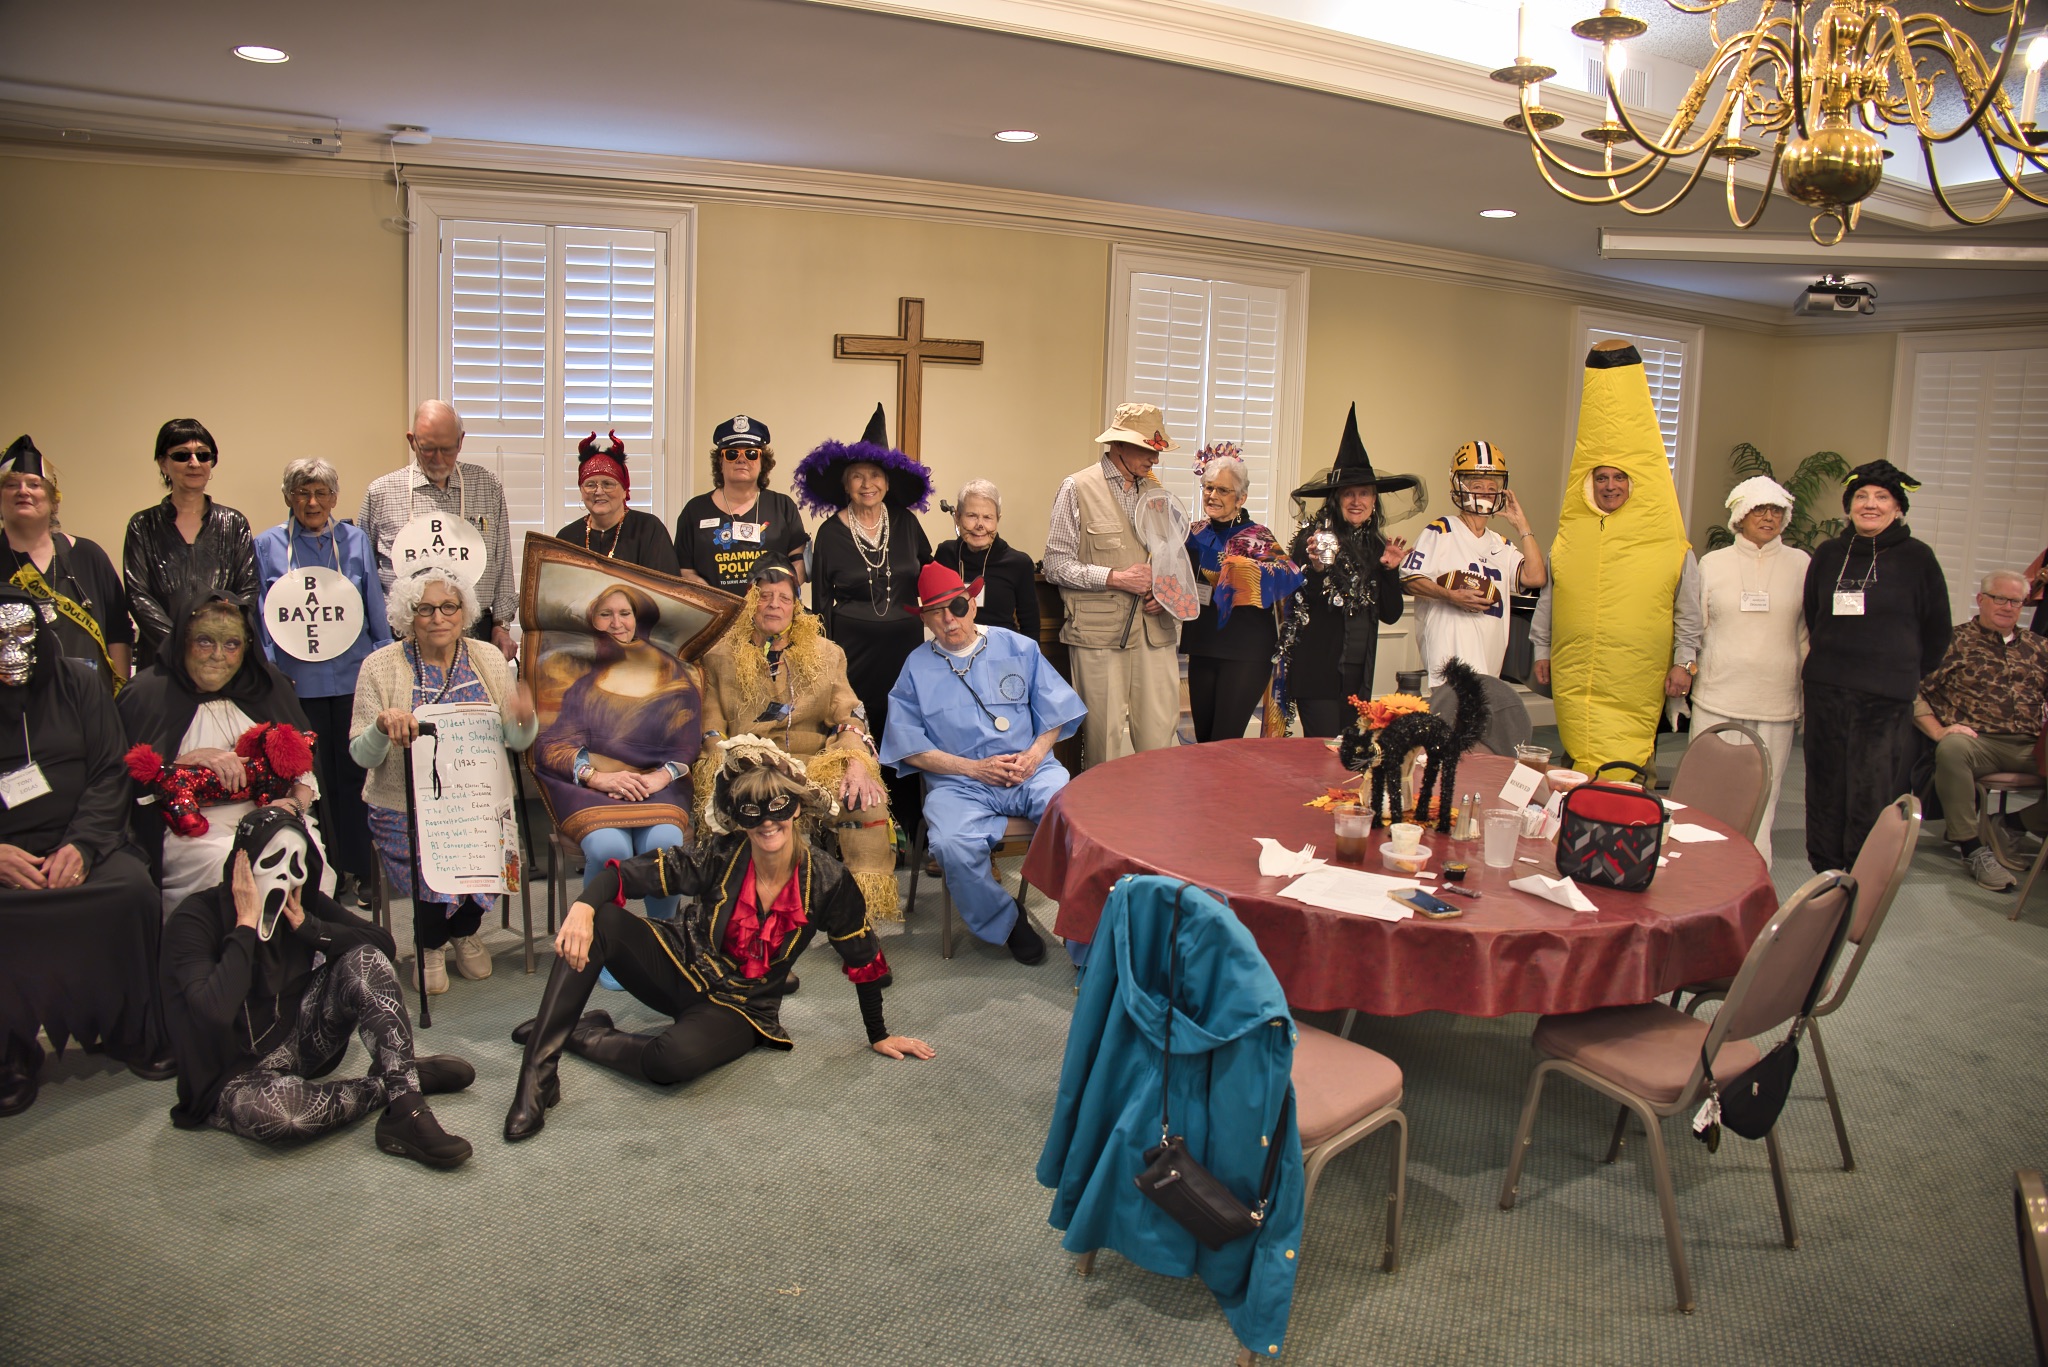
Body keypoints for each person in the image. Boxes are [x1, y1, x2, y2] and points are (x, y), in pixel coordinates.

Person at [503, 740, 931, 1143]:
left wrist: (878, 1034)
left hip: (741, 1007)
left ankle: (579, 1033)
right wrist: (582, 907)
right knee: (596, 919)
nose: (767, 822)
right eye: (752, 812)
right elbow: (631, 874)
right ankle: (539, 1075)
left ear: (797, 807)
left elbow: (863, 956)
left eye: (778, 807)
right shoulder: (721, 853)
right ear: (738, 817)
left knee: (668, 1062)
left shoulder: (827, 880)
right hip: (678, 961)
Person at [161, 806, 475, 1168]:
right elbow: (212, 1014)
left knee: (365, 958)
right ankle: (397, 1080)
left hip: (299, 1041)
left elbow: (381, 945)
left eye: (295, 864)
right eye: (271, 861)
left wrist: (311, 928)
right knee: (287, 1117)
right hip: (231, 1076)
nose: (284, 876)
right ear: (241, 865)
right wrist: (245, 925)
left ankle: (407, 1109)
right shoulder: (195, 919)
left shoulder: (299, 899)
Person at [0, 590, 163, 1116]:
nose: (10, 650)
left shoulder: (80, 682)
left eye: (20, 635)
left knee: (131, 892)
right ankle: (9, 1052)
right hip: (4, 853)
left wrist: (83, 845)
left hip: (85, 837)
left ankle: (130, 1028)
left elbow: (110, 771)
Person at [881, 564, 1087, 965]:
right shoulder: (915, 668)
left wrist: (1034, 755)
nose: (949, 619)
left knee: (1075, 823)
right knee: (950, 845)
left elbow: (1056, 713)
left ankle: (1087, 934)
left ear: (972, 604)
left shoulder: (1018, 647)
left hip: (1031, 772)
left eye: (957, 607)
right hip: (959, 783)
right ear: (924, 619)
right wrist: (973, 769)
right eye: (936, 612)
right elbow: (908, 747)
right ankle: (1006, 921)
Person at [349, 567, 538, 994]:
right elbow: (361, 754)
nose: (438, 617)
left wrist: (525, 720)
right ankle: (430, 943)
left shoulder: (488, 658)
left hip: (479, 800)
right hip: (403, 805)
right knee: (430, 859)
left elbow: (516, 739)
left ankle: (465, 930)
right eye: (425, 609)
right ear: (408, 615)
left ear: (463, 611)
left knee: (494, 854)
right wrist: (381, 727)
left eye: (449, 607)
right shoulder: (379, 666)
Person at [1532, 342, 1701, 778]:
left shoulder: (1670, 546)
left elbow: (1688, 613)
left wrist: (1683, 663)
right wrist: (1541, 649)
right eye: (1601, 477)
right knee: (1577, 760)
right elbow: (1551, 598)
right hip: (1576, 673)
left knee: (1630, 765)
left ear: (1634, 482)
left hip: (1635, 679)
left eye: (1619, 477)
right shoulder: (1570, 539)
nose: (1609, 486)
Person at [695, 557, 896, 919]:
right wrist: (729, 769)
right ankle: (755, 911)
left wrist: (856, 762)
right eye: (765, 596)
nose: (774, 605)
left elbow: (850, 716)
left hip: (814, 764)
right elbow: (712, 730)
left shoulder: (826, 654)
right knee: (764, 803)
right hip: (751, 768)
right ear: (750, 601)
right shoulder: (718, 656)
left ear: (796, 606)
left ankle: (856, 917)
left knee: (865, 802)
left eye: (784, 598)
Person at [117, 590, 326, 917]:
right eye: (205, 641)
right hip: (191, 828)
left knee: (304, 855)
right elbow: (128, 784)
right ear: (183, 641)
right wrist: (189, 760)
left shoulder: (268, 686)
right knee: (224, 865)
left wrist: (295, 805)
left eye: (231, 644)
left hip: (270, 813)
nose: (218, 655)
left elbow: (304, 769)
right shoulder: (148, 693)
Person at [1802, 459, 1951, 873]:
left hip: (1884, 697)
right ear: (1849, 506)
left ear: (1898, 508)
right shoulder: (1828, 554)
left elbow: (1938, 629)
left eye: (1882, 497)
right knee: (1824, 783)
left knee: (1870, 788)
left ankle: (1862, 876)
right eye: (1861, 496)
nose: (1870, 504)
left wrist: (1902, 673)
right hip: (1826, 688)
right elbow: (1815, 615)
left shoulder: (1918, 558)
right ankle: (1826, 872)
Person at [254, 459, 390, 906]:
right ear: (288, 497)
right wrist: (272, 675)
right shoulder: (267, 545)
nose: (312, 502)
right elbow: (263, 616)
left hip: (352, 678)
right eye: (302, 493)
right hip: (298, 684)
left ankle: (363, 866)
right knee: (313, 781)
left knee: (357, 776)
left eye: (321, 493)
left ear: (334, 498)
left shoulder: (355, 541)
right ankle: (326, 869)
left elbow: (373, 605)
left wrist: (382, 661)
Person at [796, 404, 934, 834]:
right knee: (860, 727)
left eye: (875, 475)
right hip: (852, 653)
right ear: (845, 484)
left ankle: (909, 823)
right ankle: (865, 821)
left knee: (905, 726)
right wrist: (824, 661)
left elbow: (929, 575)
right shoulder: (830, 532)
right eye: (857, 476)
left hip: (906, 650)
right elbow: (821, 602)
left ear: (887, 482)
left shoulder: (906, 523)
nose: (867, 483)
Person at [534, 581, 701, 923]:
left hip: (656, 787)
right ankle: (600, 938)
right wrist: (595, 777)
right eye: (605, 614)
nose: (616, 623)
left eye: (625, 613)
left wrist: (660, 777)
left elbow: (686, 744)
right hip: (592, 789)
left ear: (638, 619)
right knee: (611, 849)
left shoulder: (674, 674)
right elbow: (551, 744)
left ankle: (661, 936)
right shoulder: (581, 682)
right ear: (591, 620)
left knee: (664, 846)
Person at [1043, 402, 1182, 767]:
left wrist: (1164, 593)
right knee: (1102, 746)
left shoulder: (1157, 494)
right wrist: (1116, 578)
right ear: (1118, 444)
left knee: (1161, 745)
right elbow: (1055, 564)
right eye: (1147, 449)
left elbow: (1172, 561)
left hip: (1156, 633)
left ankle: (1155, 807)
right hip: (1099, 636)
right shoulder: (1077, 487)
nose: (1155, 458)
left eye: (1157, 450)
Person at [1688, 476, 1811, 866]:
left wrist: (1808, 691)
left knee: (1764, 790)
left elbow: (1806, 634)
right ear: (1740, 516)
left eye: (1776, 510)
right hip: (1717, 692)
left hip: (1776, 696)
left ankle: (1754, 865)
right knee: (1709, 784)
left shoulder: (1802, 564)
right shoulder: (1713, 563)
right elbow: (1696, 627)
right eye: (1759, 509)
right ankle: (1700, 861)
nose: (1768, 517)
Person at [1281, 406, 1414, 738]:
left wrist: (1389, 571)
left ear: (1374, 500)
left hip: (1358, 676)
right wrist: (1316, 567)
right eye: (1349, 494)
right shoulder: (1313, 538)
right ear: (1336, 499)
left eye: (1364, 493)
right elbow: (1299, 602)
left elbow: (1391, 615)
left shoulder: (1377, 545)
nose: (1357, 501)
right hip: (1318, 673)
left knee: (1350, 754)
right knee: (1321, 754)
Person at [1914, 570, 2048, 892]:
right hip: (1978, 743)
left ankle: (2012, 824)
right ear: (1981, 599)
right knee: (1952, 748)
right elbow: (1912, 690)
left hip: (2031, 744)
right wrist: (1937, 731)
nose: (2007, 607)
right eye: (1999, 598)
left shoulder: (2039, 647)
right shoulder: (1951, 641)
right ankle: (1973, 848)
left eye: (2015, 601)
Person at [356, 400, 518, 661]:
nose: (439, 459)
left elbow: (503, 561)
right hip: (404, 634)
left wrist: (502, 625)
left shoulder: (487, 485)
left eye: (447, 449)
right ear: (412, 442)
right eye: (428, 449)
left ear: (461, 441)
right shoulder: (381, 493)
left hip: (476, 632)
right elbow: (363, 573)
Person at [1400, 438, 1548, 687]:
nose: (1485, 492)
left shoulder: (1501, 544)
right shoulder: (1441, 530)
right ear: (1459, 486)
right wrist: (1451, 596)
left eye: (1491, 486)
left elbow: (1535, 577)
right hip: (1449, 656)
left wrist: (1522, 526)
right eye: (1477, 485)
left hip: (1490, 659)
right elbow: (1409, 580)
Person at [1181, 444, 1302, 743]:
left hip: (1245, 652)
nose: (1212, 495)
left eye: (1223, 490)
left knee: (1225, 741)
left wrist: (1247, 573)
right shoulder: (1192, 533)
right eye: (1208, 487)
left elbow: (1290, 580)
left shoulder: (1257, 537)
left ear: (1241, 498)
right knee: (1204, 740)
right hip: (1202, 646)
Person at [123, 419, 258, 670]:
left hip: (221, 663)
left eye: (203, 455)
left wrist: (214, 641)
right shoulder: (142, 526)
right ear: (163, 463)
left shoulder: (234, 523)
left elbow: (248, 591)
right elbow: (138, 596)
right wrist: (183, 644)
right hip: (162, 662)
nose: (194, 463)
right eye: (182, 455)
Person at [0, 435, 131, 691]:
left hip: (87, 703)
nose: (23, 491)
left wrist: (119, 699)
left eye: (34, 484)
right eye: (11, 485)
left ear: (53, 500)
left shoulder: (89, 556)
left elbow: (118, 632)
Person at [675, 415, 809, 591]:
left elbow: (799, 562)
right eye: (732, 454)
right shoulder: (694, 510)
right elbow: (684, 570)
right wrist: (709, 597)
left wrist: (774, 596)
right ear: (720, 462)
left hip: (769, 607)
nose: (741, 459)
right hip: (713, 607)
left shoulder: (783, 506)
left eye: (751, 454)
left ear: (762, 461)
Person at [555, 432, 680, 574]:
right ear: (581, 490)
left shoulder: (649, 529)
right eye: (590, 485)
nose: (599, 491)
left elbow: (666, 585)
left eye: (608, 484)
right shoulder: (566, 538)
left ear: (625, 490)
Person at [935, 479, 1039, 639]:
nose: (980, 525)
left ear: (998, 519)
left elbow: (1030, 624)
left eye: (988, 517)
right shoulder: (945, 554)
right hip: (953, 646)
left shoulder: (1019, 563)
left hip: (1001, 648)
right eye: (972, 516)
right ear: (957, 517)